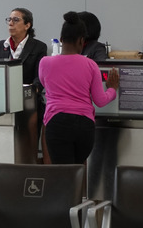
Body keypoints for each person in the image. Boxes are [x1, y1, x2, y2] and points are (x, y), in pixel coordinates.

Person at [38, 11, 119, 165]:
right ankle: (80, 190)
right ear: (82, 41)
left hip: (56, 123)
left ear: (61, 39)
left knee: (63, 173)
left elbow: (44, 83)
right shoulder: (91, 65)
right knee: (78, 170)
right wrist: (112, 89)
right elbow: (100, 101)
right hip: (84, 127)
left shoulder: (45, 63)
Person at [0, 7, 47, 85]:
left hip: (27, 94)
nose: (10, 23)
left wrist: (31, 89)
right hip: (2, 93)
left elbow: (40, 77)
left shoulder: (39, 47)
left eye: (15, 20)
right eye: (9, 20)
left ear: (27, 25)